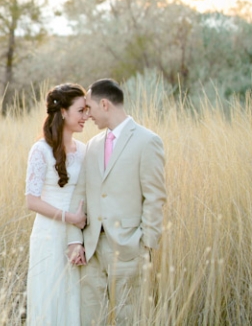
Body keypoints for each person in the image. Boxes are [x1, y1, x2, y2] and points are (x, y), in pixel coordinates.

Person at [66, 78, 166, 325]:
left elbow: (155, 197)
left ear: (104, 104)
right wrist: (75, 240)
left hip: (129, 249)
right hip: (91, 252)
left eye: (89, 108)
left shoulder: (147, 141)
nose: (87, 115)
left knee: (129, 318)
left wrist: (146, 245)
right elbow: (80, 194)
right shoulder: (93, 145)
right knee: (91, 319)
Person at [25, 83, 89, 325]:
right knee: (49, 298)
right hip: (49, 235)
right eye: (81, 111)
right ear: (63, 112)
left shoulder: (83, 150)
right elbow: (31, 200)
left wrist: (77, 232)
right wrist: (69, 217)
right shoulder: (40, 150)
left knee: (73, 299)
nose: (86, 117)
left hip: (76, 236)